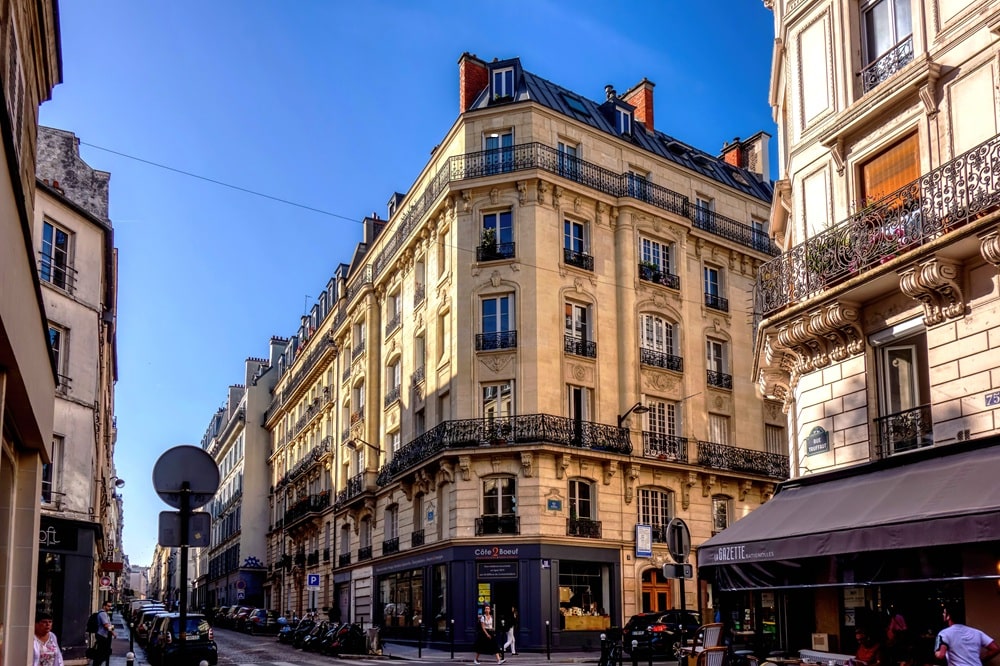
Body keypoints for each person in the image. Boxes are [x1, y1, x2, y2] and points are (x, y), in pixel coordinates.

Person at [935, 605, 1000, 666]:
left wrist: (937, 648)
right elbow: (995, 648)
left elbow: (940, 655)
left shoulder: (944, 633)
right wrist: (980, 660)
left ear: (948, 616)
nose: (943, 614)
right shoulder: (977, 632)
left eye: (944, 612)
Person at [92, 601, 115, 666]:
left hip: (102, 635)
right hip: (102, 635)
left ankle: (97, 663)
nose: (109, 608)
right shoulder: (103, 614)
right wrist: (113, 633)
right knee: (101, 652)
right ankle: (97, 664)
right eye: (108, 606)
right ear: (104, 606)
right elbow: (106, 625)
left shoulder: (104, 613)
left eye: (110, 606)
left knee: (101, 652)